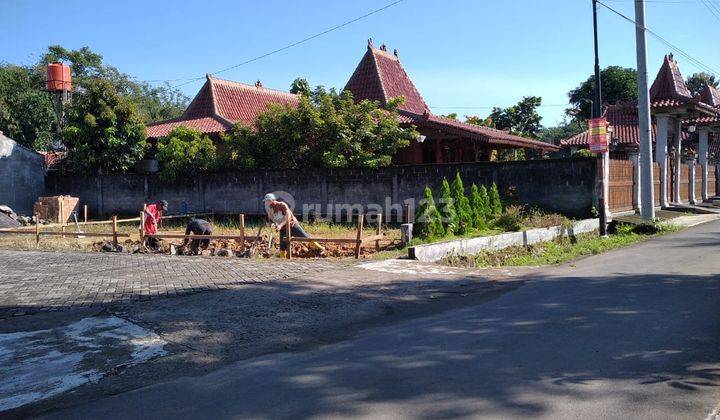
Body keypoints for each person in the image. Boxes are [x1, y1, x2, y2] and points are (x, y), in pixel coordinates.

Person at [262, 193, 323, 257]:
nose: (266, 203)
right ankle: (282, 259)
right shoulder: (270, 210)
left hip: (292, 225)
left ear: (271, 200)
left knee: (305, 237)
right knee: (283, 246)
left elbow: (288, 216)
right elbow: (271, 220)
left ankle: (320, 248)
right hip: (283, 229)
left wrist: (280, 225)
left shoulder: (282, 205)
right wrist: (272, 224)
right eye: (266, 201)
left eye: (267, 201)